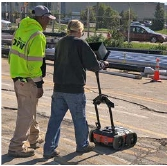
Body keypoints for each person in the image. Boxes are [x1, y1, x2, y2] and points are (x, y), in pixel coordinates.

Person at [43, 20, 109, 159]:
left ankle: (49, 149)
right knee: (79, 118)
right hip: (74, 89)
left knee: (55, 119)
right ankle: (82, 145)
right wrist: (103, 64)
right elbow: (93, 64)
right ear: (80, 30)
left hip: (59, 87)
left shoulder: (60, 43)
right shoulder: (80, 43)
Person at [8, 5, 56, 157]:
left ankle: (34, 137)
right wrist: (39, 84)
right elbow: (35, 63)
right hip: (27, 79)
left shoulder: (21, 29)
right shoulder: (37, 35)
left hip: (17, 76)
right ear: (41, 18)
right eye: (48, 18)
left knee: (30, 110)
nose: (48, 21)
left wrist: (17, 73)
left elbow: (12, 54)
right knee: (26, 114)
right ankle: (16, 146)